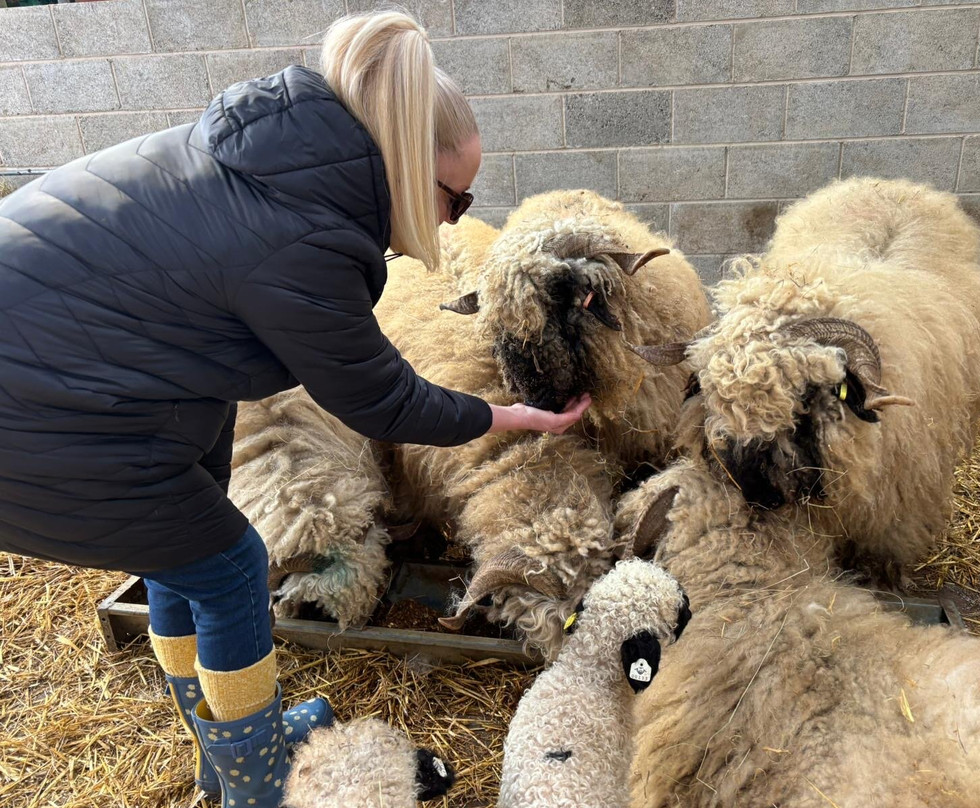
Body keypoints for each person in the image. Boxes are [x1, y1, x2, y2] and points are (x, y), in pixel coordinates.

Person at [0, 11, 589, 807]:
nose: (453, 218)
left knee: (181, 552)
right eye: (456, 198)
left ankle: (223, 749)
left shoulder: (269, 161)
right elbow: (378, 397)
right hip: (37, 416)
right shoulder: (304, 236)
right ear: (406, 164)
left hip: (94, 380)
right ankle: (259, 782)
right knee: (229, 569)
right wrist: (505, 417)